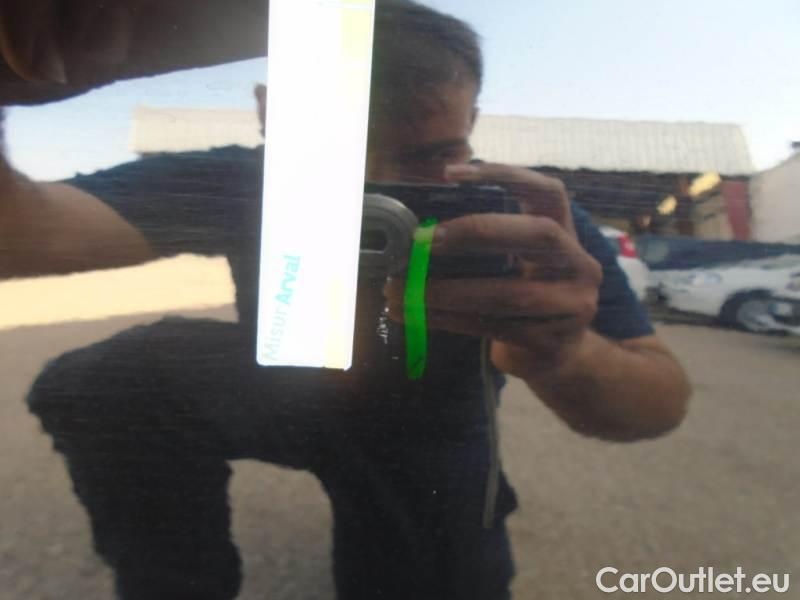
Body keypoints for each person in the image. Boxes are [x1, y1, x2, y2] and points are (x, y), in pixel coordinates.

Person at [1, 1, 691, 598]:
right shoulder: (242, 181)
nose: (375, 198)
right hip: (284, 387)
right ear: (271, 113)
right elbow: (27, 237)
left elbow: (657, 402)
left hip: (428, 427)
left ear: (473, 120)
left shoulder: (526, 219)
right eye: (333, 155)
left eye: (427, 161)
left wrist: (564, 351)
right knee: (102, 382)